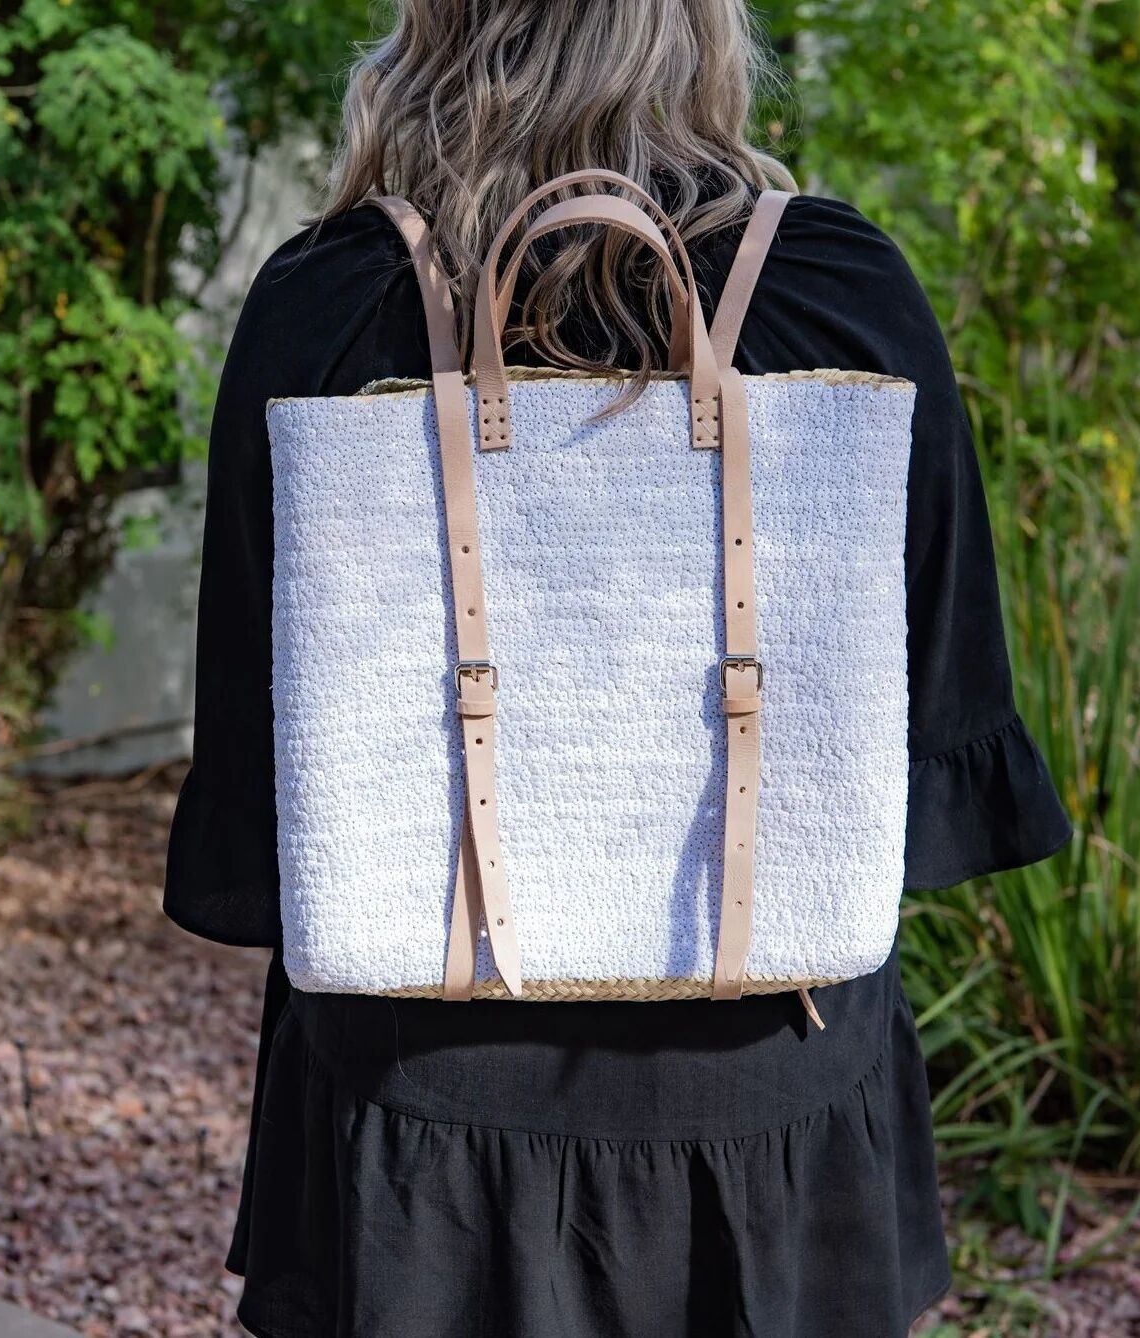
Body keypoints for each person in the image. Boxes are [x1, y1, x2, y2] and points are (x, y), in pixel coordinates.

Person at [163, 2, 1071, 1334]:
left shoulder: (330, 301)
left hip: (422, 1097)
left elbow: (261, 765)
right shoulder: (834, 290)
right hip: (767, 1078)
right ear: (698, 31)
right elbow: (933, 724)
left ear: (434, 30)